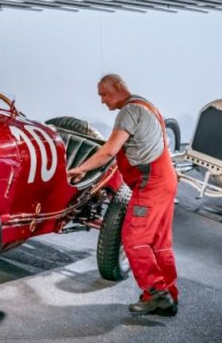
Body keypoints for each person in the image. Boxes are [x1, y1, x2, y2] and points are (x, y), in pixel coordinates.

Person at [67, 74, 179, 316]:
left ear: (118, 88)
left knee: (134, 237)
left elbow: (109, 151)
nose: (102, 101)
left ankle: (156, 293)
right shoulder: (148, 106)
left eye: (104, 94)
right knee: (159, 243)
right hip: (166, 179)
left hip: (150, 183)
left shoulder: (128, 112)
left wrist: (81, 168)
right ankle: (169, 295)